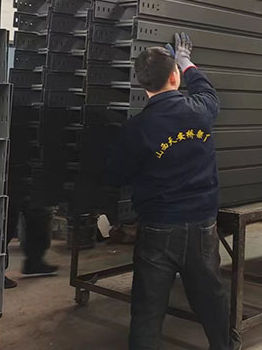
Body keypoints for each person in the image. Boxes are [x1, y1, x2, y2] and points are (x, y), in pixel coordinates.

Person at [106, 33, 232, 350]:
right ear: (175, 77)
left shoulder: (136, 128)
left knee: (148, 309)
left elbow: (118, 175)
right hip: (202, 226)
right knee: (211, 299)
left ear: (142, 84)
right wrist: (186, 60)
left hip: (157, 228)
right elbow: (206, 89)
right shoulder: (201, 110)